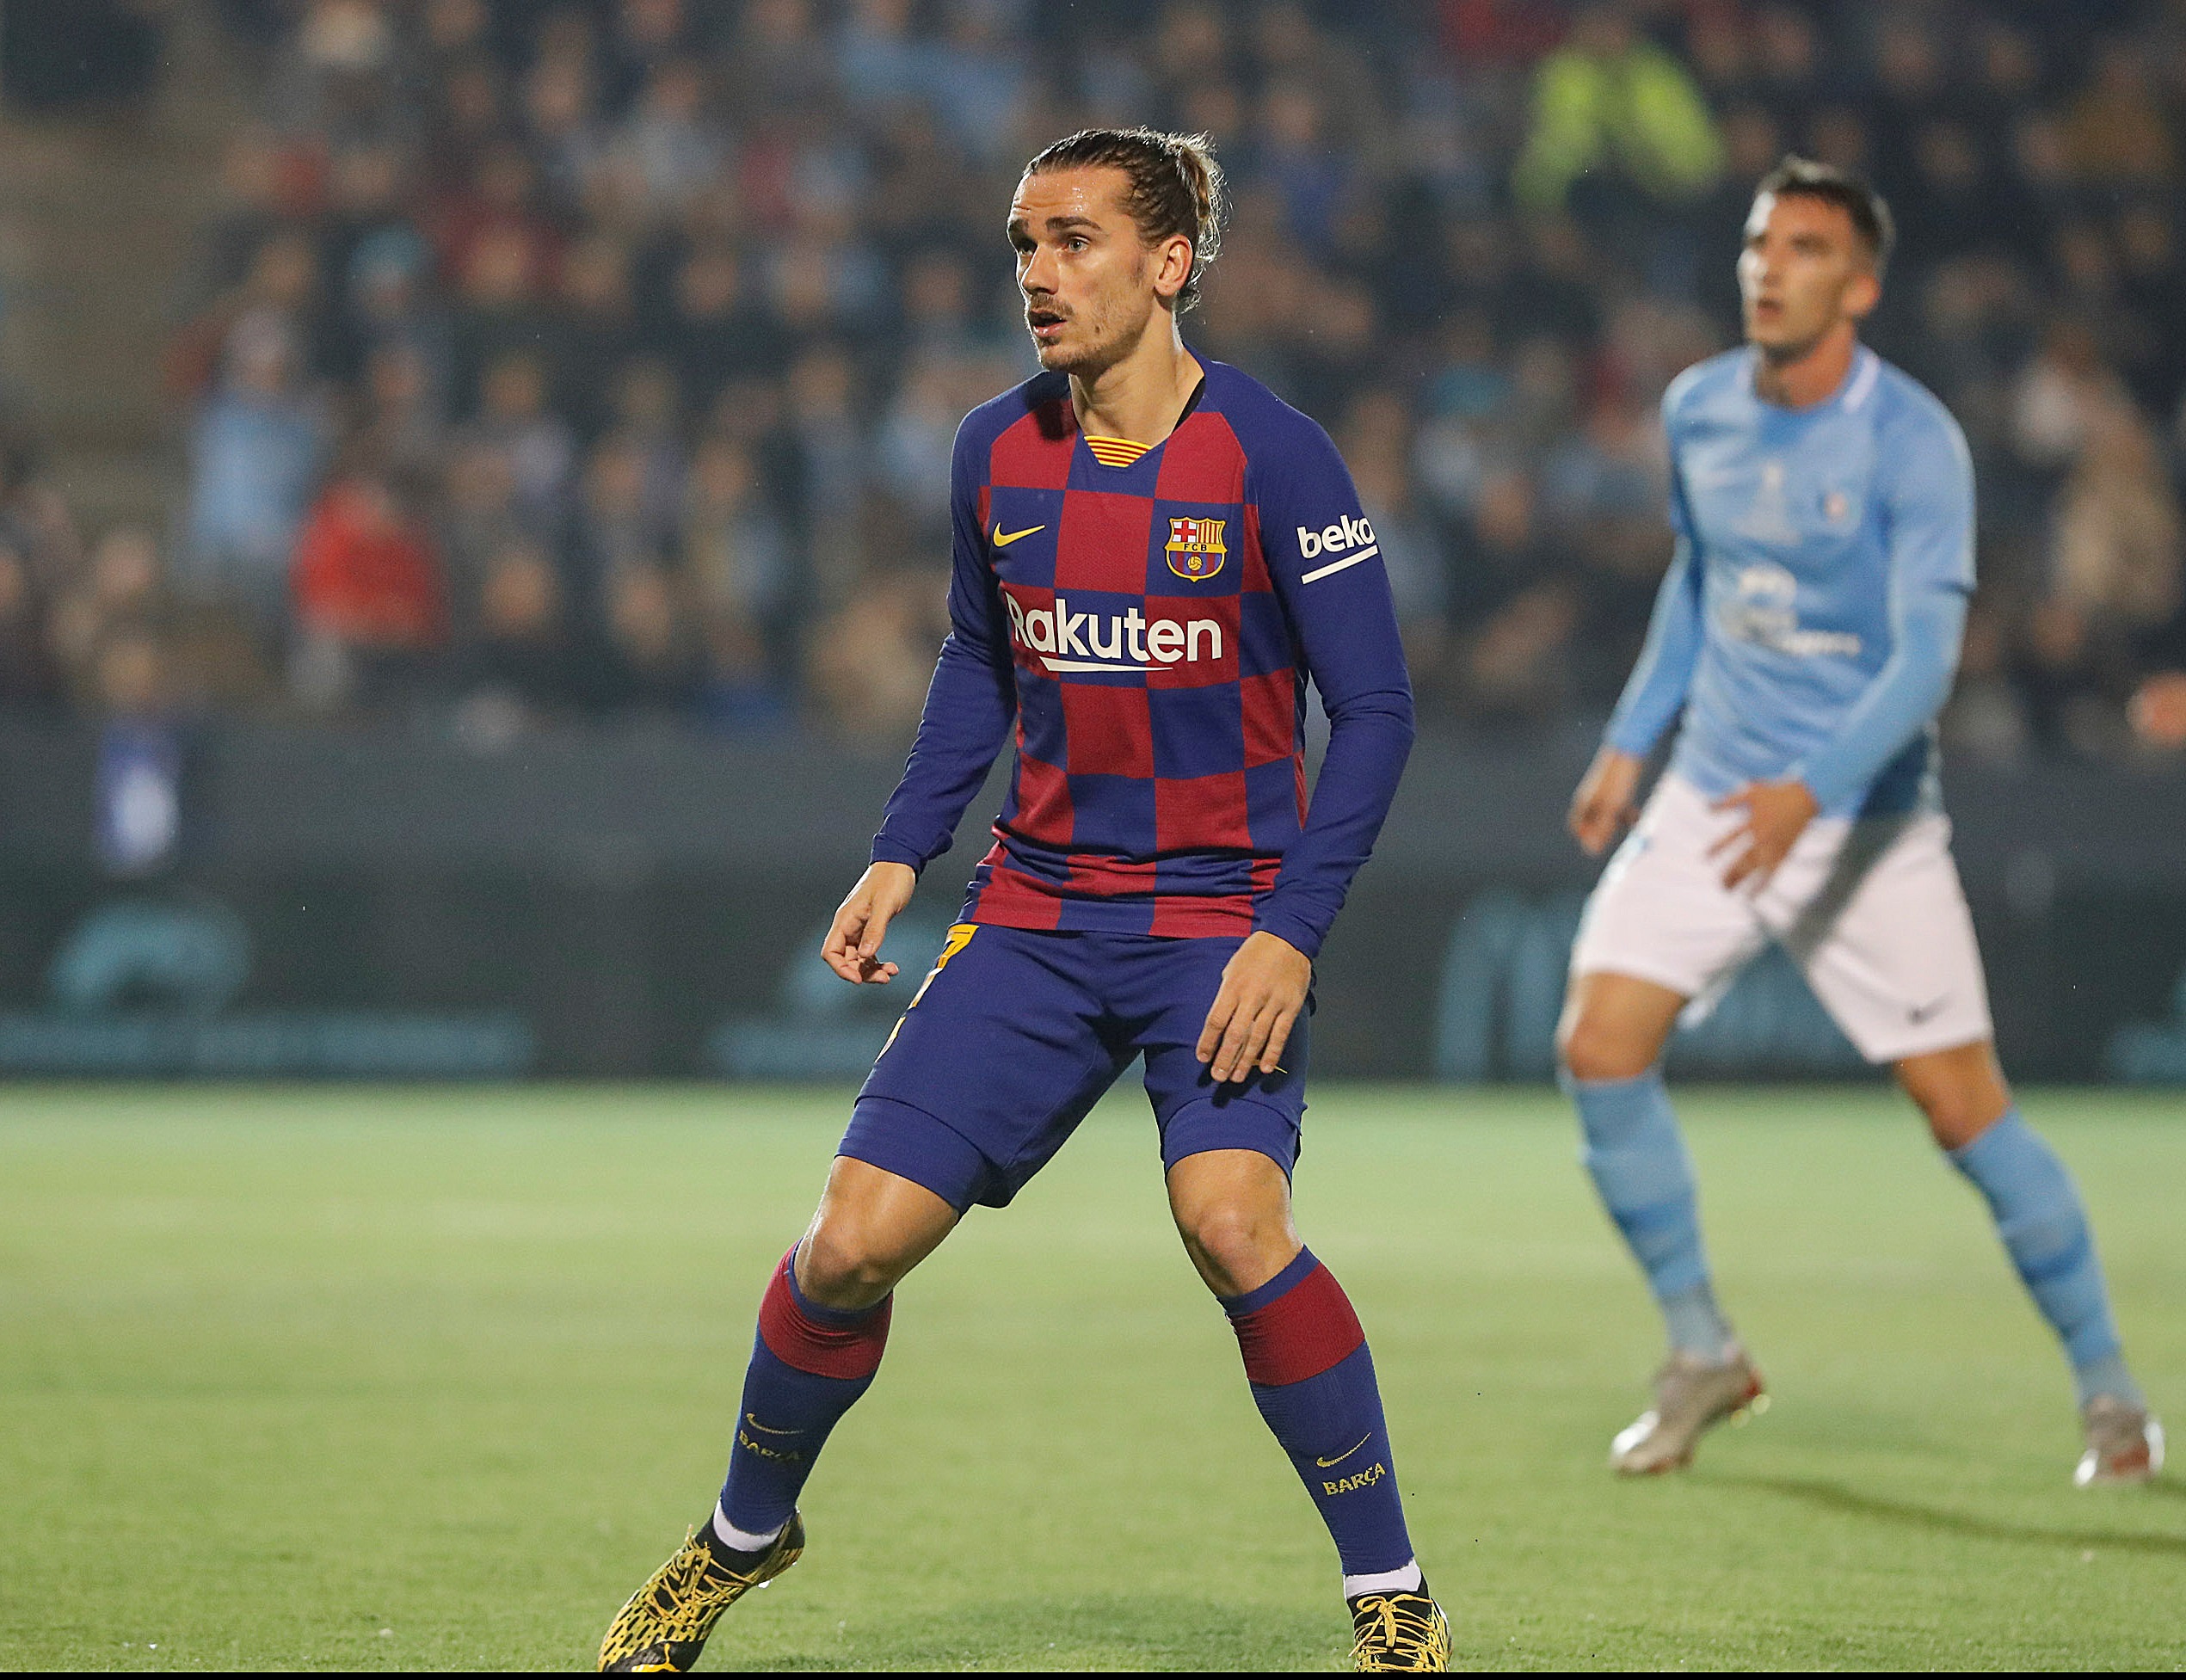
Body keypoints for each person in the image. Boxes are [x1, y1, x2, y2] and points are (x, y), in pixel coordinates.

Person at [598, 127, 1445, 1673]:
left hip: (1219, 922)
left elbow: (1376, 713)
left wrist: (1289, 930)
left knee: (1233, 1222)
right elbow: (978, 657)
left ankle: (1390, 1598)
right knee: (844, 1248)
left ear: (1168, 262)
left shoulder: (1274, 456)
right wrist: (901, 848)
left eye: (1071, 241)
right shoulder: (994, 448)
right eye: (1022, 246)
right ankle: (738, 1539)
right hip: (1037, 917)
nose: (1037, 275)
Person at [1558, 157, 2163, 1486]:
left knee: (1962, 1112)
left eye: (1806, 248)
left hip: (1863, 821)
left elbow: (1922, 665)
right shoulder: (1698, 407)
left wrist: (1810, 793)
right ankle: (1701, 1347)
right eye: (1759, 244)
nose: (1769, 268)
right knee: (1597, 1045)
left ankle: (2110, 1391)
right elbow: (1698, 581)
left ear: (1860, 284)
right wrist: (1628, 739)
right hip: (1717, 790)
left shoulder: (1910, 440)